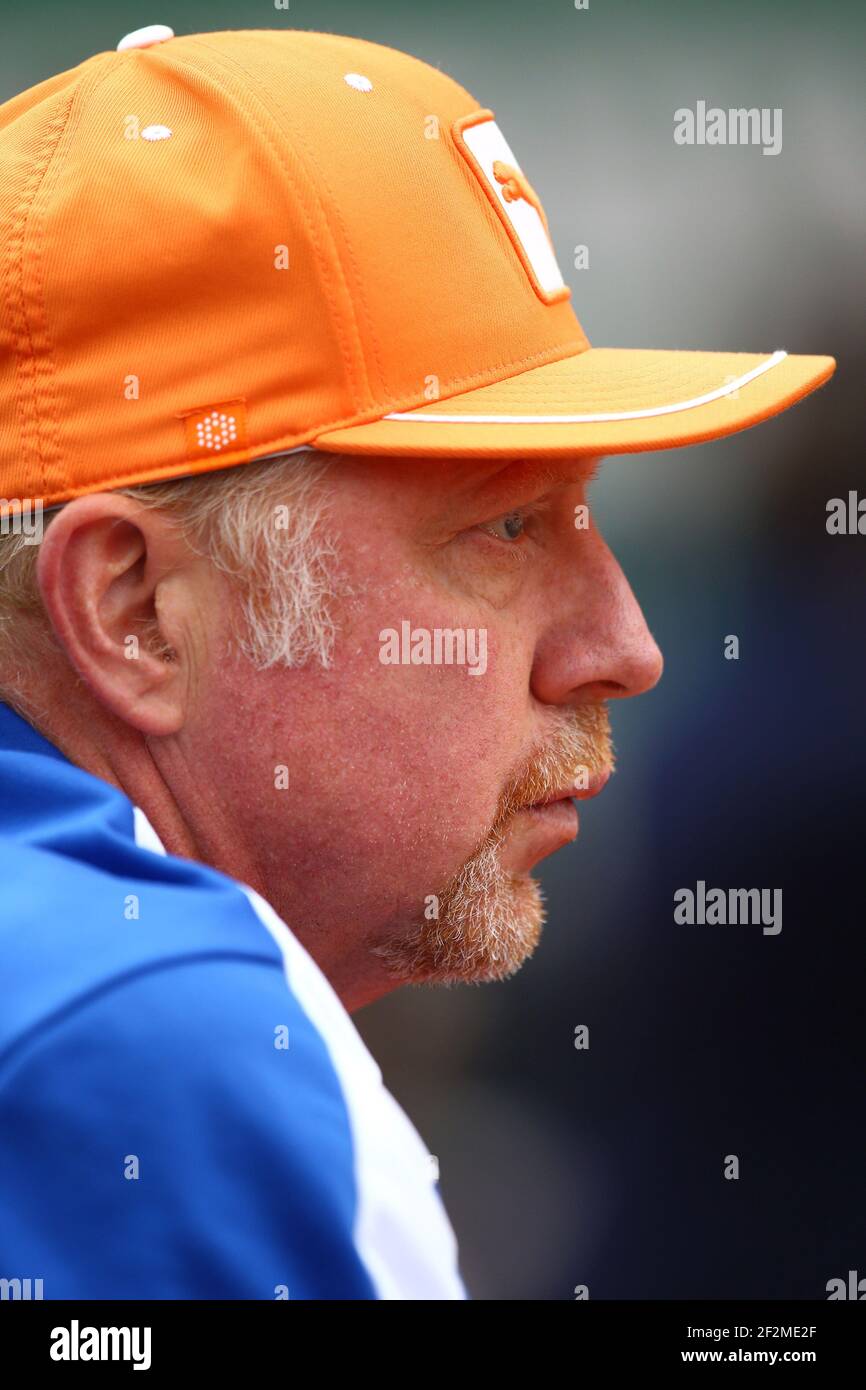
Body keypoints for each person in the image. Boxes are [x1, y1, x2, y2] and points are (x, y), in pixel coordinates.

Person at [0, 25, 834, 1299]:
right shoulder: (163, 1041)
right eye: (501, 525)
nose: (626, 648)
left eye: (580, 514)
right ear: (136, 611)